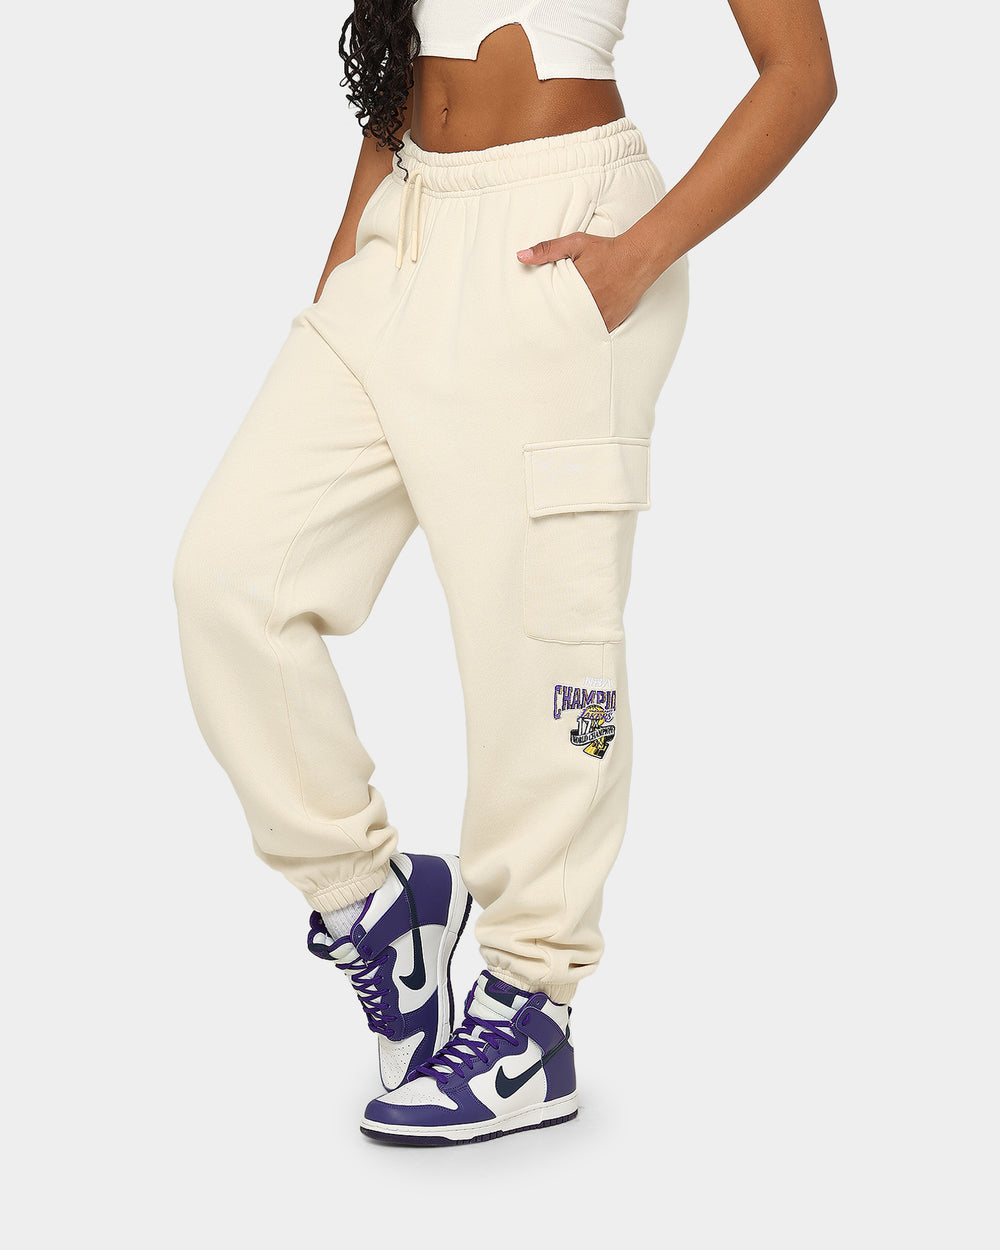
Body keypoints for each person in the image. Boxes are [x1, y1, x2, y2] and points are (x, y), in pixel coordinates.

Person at [172, 1, 837, 1146]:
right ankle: (379, 907)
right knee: (229, 574)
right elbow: (397, 70)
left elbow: (799, 73)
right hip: (405, 225)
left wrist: (636, 257)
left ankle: (533, 1004)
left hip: (560, 233)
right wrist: (343, 277)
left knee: (543, 649)